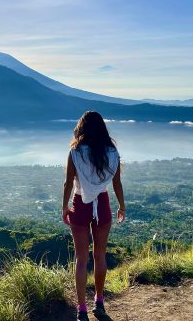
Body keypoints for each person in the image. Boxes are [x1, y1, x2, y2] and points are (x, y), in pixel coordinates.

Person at [62, 111, 126, 321]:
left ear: (82, 128)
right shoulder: (112, 152)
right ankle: (99, 301)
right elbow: (116, 184)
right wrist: (122, 207)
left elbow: (68, 183)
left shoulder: (76, 152)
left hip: (80, 204)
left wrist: (64, 207)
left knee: (81, 259)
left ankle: (81, 310)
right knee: (100, 255)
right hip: (103, 203)